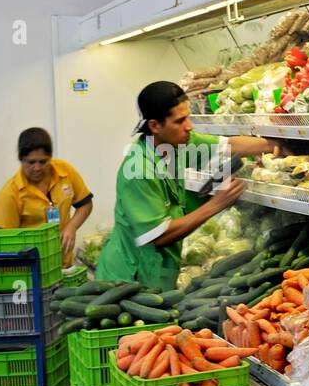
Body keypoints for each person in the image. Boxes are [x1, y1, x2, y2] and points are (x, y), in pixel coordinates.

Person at [96, 81, 276, 292]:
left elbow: (229, 145)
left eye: (188, 117)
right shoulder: (138, 170)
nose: (189, 126)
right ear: (155, 126)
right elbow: (158, 236)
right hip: (128, 278)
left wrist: (276, 145)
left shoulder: (176, 143)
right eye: (180, 120)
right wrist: (216, 203)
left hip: (157, 272)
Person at [0, 127, 93, 266]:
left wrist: (72, 227)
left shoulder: (65, 171)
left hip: (65, 264)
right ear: (21, 159)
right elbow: (2, 244)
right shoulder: (9, 194)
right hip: (32, 270)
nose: (37, 168)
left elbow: (85, 204)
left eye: (43, 161)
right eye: (31, 162)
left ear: (50, 158)